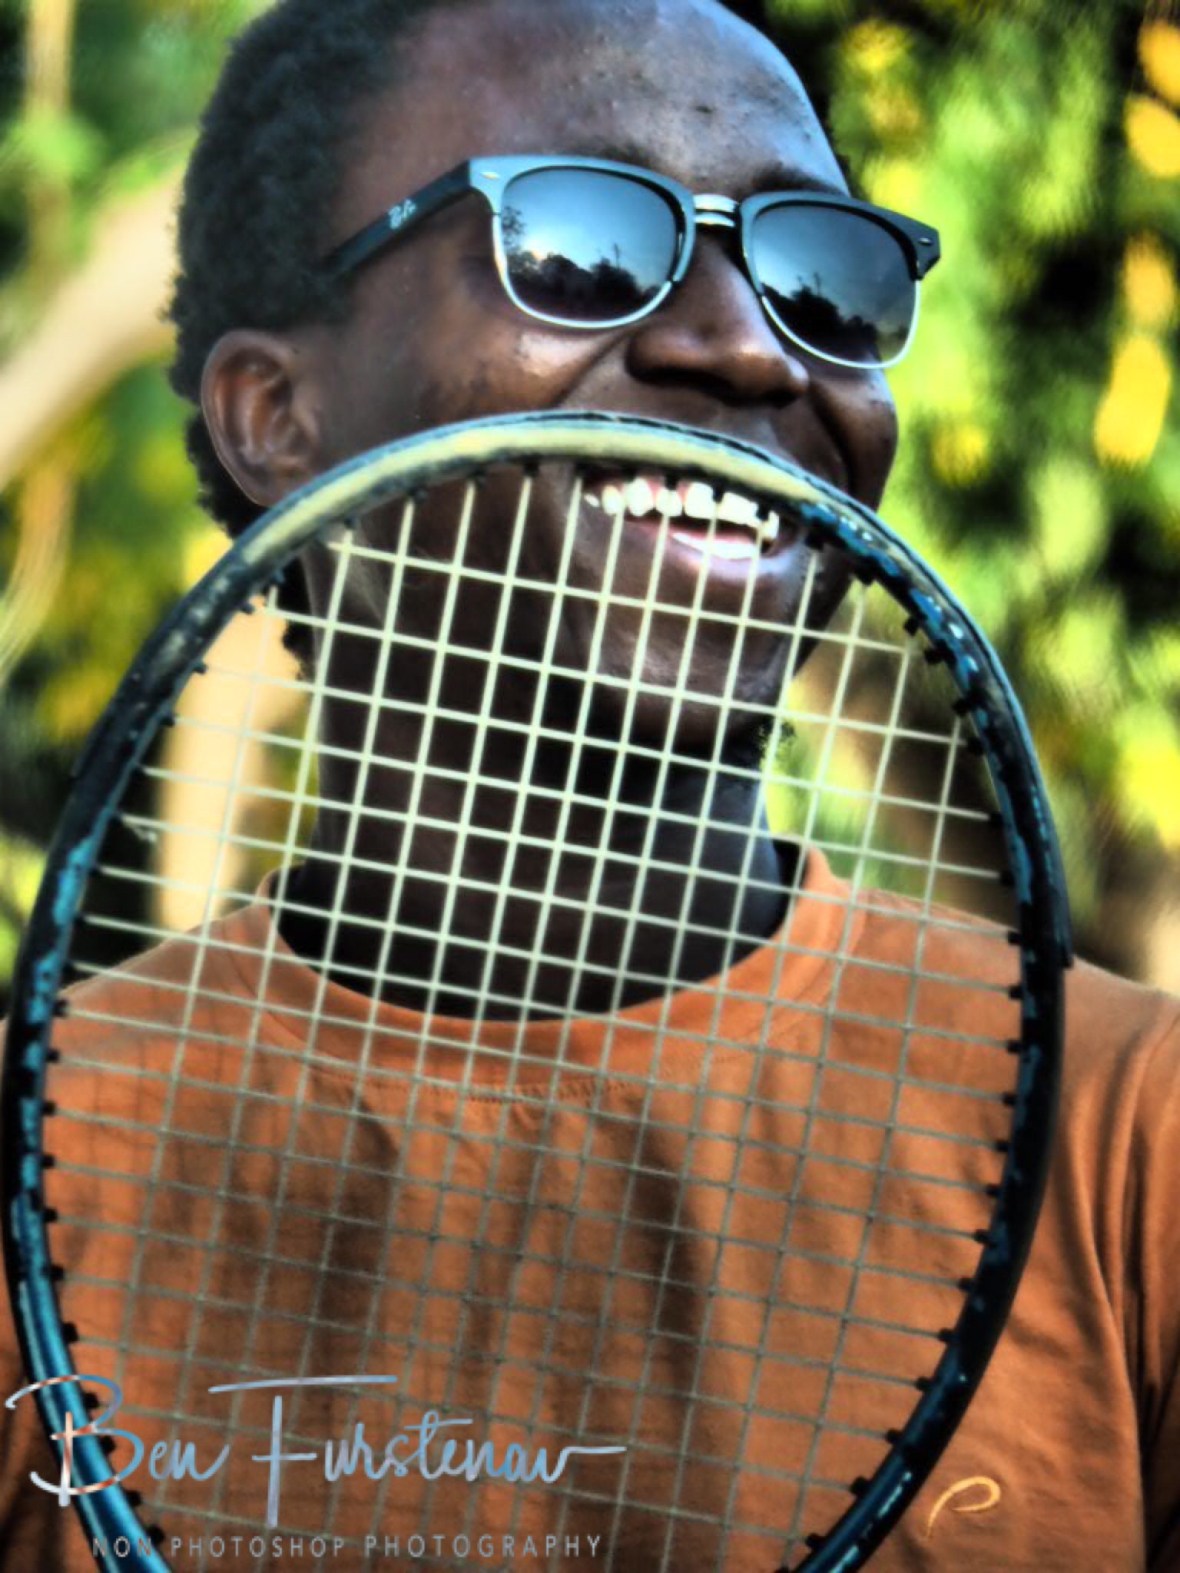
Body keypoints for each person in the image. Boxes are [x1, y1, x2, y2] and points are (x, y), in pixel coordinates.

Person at [1, 0, 1178, 1569]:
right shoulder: (40, 1172)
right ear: (277, 416)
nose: (752, 344)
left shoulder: (1135, 1146)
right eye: (576, 245)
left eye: (820, 275)